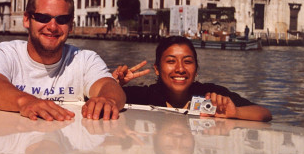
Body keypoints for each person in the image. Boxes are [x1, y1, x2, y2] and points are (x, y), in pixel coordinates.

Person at [0, 0, 126, 121]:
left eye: (62, 19)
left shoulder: (86, 59)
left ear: (71, 25)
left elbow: (108, 85)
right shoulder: (2, 53)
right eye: (43, 18)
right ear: (27, 20)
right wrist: (26, 102)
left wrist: (108, 100)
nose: (53, 27)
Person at [113, 36, 272, 122]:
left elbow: (264, 113)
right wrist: (114, 85)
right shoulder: (143, 96)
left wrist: (235, 112)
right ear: (157, 69)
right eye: (171, 61)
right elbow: (97, 100)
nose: (180, 69)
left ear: (196, 69)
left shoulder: (211, 95)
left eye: (187, 61)